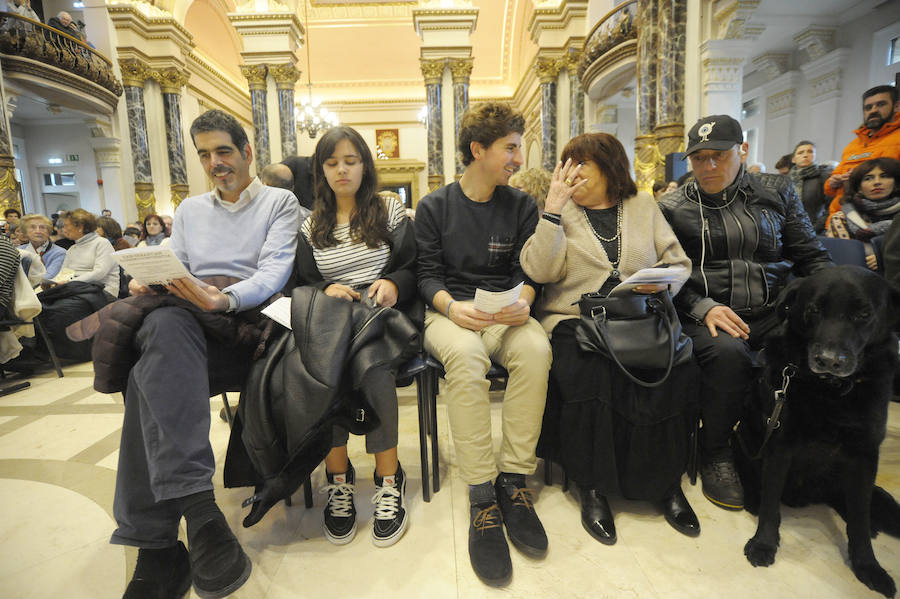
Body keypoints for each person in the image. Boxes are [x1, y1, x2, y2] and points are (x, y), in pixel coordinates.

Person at [106, 109, 300, 598]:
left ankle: (157, 547)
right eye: (205, 155)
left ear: (247, 152)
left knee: (148, 375)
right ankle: (200, 512)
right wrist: (152, 277)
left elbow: (274, 272)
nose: (215, 163)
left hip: (248, 329)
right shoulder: (191, 210)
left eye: (224, 151)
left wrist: (224, 298)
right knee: (163, 331)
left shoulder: (279, 202)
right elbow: (181, 263)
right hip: (189, 325)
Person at [520, 133, 699, 544]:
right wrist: (551, 212)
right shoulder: (560, 211)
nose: (572, 173)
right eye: (567, 164)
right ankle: (593, 486)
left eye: (582, 163)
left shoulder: (643, 206)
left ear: (610, 166)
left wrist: (657, 284)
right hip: (576, 320)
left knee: (671, 369)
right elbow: (540, 271)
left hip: (638, 318)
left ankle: (666, 485)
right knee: (591, 371)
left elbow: (677, 262)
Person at [658, 114, 831, 512]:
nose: (708, 166)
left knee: (818, 344)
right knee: (729, 354)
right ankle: (716, 450)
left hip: (774, 308)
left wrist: (832, 302)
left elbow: (809, 255)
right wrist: (702, 306)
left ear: (743, 151)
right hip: (705, 312)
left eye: (718, 155)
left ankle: (799, 449)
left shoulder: (778, 192)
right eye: (698, 158)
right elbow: (663, 275)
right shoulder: (671, 207)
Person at [415, 102, 552, 587]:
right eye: (510, 148)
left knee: (536, 350)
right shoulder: (434, 207)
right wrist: (452, 307)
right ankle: (480, 493)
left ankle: (513, 479)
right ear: (478, 150)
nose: (519, 158)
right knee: (467, 356)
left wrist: (526, 300)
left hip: (504, 311)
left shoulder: (521, 206)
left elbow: (528, 271)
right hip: (447, 311)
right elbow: (425, 275)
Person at [294, 126, 416, 547]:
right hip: (332, 321)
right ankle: (338, 478)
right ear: (321, 171)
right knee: (320, 371)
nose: (342, 170)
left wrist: (394, 283)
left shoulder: (389, 209)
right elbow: (303, 280)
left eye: (350, 161)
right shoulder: (311, 224)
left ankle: (388, 477)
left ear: (365, 165)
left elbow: (411, 265)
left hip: (380, 316)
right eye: (332, 163)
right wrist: (325, 288)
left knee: (373, 367)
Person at [825, 85, 900, 218]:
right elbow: (829, 188)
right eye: (868, 107)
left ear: (896, 106)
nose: (873, 110)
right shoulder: (853, 145)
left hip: (881, 220)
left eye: (881, 104)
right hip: (839, 218)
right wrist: (833, 182)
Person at [826, 157, 900, 270]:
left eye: (884, 176)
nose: (877, 182)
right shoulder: (841, 219)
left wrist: (886, 259)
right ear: (859, 187)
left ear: (896, 183)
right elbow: (842, 264)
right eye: (868, 178)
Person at [788, 140, 833, 232]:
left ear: (815, 155)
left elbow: (831, 206)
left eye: (810, 151)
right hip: (789, 230)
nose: (805, 155)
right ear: (793, 159)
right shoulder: (786, 179)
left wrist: (816, 228)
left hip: (815, 229)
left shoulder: (824, 176)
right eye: (800, 153)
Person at [18, 213, 66, 278]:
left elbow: (49, 278)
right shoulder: (19, 250)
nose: (38, 231)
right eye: (33, 227)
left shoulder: (59, 253)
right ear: (25, 232)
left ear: (49, 231)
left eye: (42, 227)